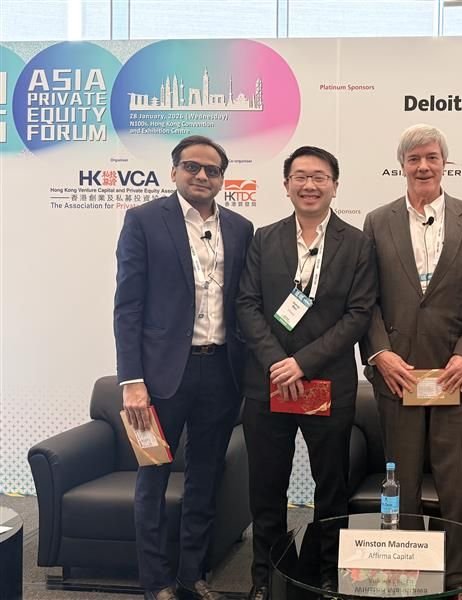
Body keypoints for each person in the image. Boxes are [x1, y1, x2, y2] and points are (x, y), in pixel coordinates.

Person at [114, 135, 254, 600]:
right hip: (158, 380)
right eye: (191, 167)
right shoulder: (144, 221)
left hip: (220, 373)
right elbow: (128, 306)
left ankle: (192, 574)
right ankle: (156, 581)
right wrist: (132, 381)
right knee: (152, 476)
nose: (201, 176)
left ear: (221, 179)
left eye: (211, 170)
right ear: (174, 171)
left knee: (206, 476)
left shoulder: (240, 227)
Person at [236, 146, 377, 600]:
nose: (309, 185)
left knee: (331, 487)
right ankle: (266, 576)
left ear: (335, 185)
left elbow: (358, 315)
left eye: (319, 177)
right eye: (300, 176)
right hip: (268, 385)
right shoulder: (263, 238)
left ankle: (327, 573)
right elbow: (247, 305)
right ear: (286, 185)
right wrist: (279, 363)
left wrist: (303, 362)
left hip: (326, 383)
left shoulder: (357, 244)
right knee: (266, 489)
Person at [361, 124, 462, 528]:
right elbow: (365, 299)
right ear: (401, 165)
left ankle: (459, 582)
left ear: (444, 163)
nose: (423, 167)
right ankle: (405, 576)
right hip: (397, 375)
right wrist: (381, 354)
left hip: (454, 376)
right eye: (414, 158)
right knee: (399, 484)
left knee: (457, 486)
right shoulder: (376, 221)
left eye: (431, 158)